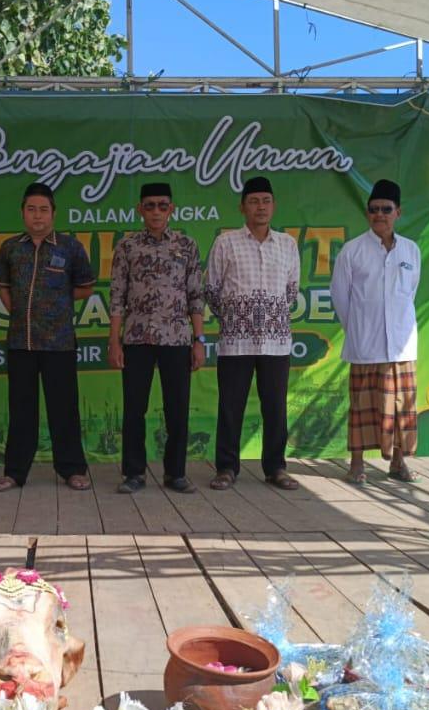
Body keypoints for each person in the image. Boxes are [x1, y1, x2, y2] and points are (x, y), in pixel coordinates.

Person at [0, 182, 95, 491]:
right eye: (32, 209)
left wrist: (56, 303)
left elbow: (85, 287)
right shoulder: (10, 247)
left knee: (64, 408)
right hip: (20, 341)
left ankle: (73, 470)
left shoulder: (70, 247)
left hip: (59, 342)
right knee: (21, 409)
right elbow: (4, 288)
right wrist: (21, 311)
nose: (38, 216)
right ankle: (15, 472)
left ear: (53, 214)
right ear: (23, 212)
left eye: (44, 210)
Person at [203, 176, 301, 491]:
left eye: (266, 201)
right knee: (231, 407)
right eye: (254, 201)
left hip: (276, 342)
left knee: (275, 407)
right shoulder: (225, 242)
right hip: (236, 341)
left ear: (274, 206)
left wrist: (268, 316)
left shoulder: (287, 244)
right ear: (242, 207)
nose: (261, 207)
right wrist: (238, 318)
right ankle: (226, 468)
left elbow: (291, 290)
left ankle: (276, 468)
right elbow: (211, 290)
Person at [108, 182, 205, 494]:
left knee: (177, 408)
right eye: (149, 206)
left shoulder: (186, 245)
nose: (156, 212)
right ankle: (134, 473)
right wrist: (114, 341)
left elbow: (195, 296)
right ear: (140, 209)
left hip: (177, 339)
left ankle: (175, 474)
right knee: (134, 409)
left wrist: (199, 340)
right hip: (137, 339)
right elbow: (117, 296)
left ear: (171, 209)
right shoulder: (127, 246)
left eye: (163, 205)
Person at [331, 179, 421, 486]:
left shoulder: (411, 250)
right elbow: (340, 296)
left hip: (401, 345)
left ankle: (398, 463)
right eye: (373, 210)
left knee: (401, 407)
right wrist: (357, 327)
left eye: (386, 209)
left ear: (398, 212)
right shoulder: (352, 250)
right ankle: (356, 465)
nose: (379, 215)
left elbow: (410, 293)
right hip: (365, 344)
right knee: (362, 407)